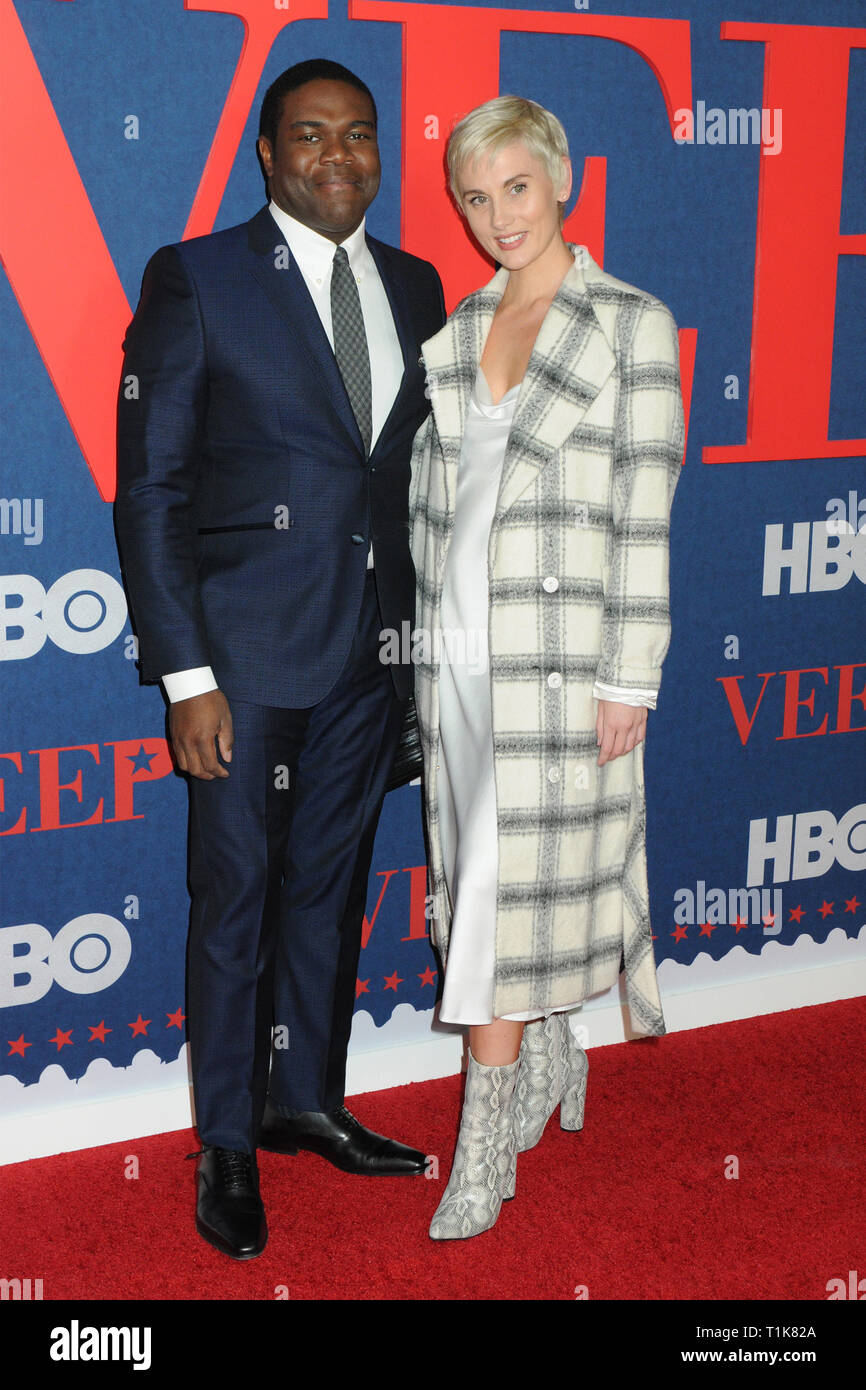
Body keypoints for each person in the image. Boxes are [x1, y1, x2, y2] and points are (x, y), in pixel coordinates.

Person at [114, 58, 446, 1260]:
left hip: (369, 657)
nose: (338, 158)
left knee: (331, 893)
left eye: (358, 138)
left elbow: (405, 483)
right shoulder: (197, 277)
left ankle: (304, 1096)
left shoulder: (415, 284)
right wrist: (187, 674)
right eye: (310, 137)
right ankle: (226, 1144)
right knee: (234, 903)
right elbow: (150, 487)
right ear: (266, 151)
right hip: (246, 667)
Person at [409, 95, 684, 1239]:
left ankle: (482, 1140)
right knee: (481, 875)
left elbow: (643, 510)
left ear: (559, 181)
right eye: (473, 196)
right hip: (455, 655)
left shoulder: (630, 322)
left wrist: (631, 674)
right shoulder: (457, 324)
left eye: (513, 187)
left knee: (493, 898)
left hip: (563, 661)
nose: (494, 216)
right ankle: (555, 1044)